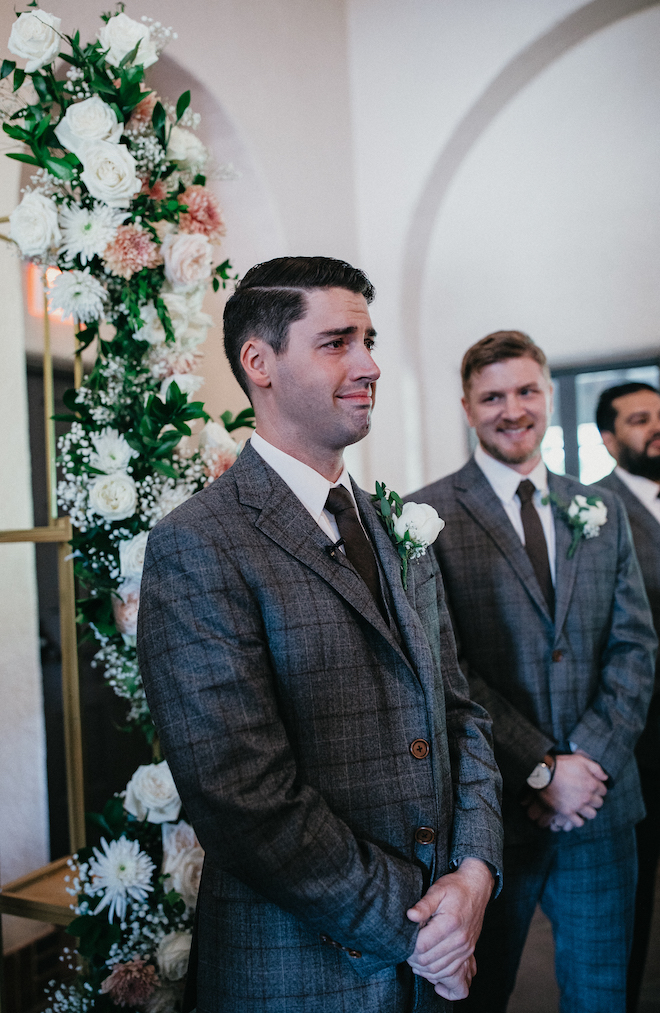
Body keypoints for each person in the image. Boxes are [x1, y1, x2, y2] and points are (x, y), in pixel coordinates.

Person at [137, 257, 503, 1013]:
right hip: (304, 972)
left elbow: (460, 713)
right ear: (259, 362)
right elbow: (244, 797)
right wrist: (420, 925)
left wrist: (474, 872)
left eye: (369, 339)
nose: (370, 364)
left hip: (441, 949)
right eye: (338, 341)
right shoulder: (199, 542)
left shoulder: (399, 526)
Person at [410, 331, 656, 1013]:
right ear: (467, 405)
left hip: (600, 808)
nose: (511, 409)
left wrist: (588, 762)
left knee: (604, 995)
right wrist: (544, 769)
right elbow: (444, 666)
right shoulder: (424, 516)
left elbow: (635, 644)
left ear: (546, 395)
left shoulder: (601, 509)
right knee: (477, 998)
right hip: (491, 817)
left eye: (525, 391)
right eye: (492, 396)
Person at [594, 382, 660, 1011]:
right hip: (643, 743)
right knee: (633, 909)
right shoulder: (598, 511)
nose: (657, 427)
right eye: (641, 420)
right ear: (610, 440)